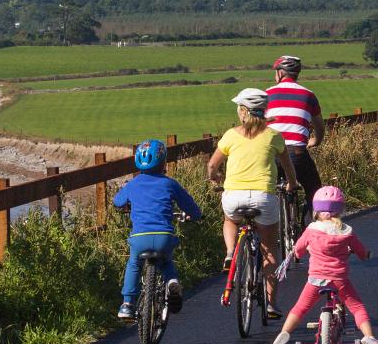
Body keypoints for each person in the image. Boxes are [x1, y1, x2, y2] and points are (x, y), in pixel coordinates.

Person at [207, 87, 299, 319]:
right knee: (270, 250)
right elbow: (288, 167)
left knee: (229, 220)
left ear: (244, 111)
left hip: (234, 196)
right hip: (263, 197)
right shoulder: (273, 135)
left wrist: (215, 177)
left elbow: (211, 166)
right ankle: (270, 303)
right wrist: (291, 184)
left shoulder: (230, 135)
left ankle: (230, 253)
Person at [268, 186, 378, 344]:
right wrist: (366, 254)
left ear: (316, 210)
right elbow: (361, 252)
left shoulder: (311, 230)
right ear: (340, 210)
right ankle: (369, 337)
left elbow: (298, 250)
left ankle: (284, 334)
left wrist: (299, 252)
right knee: (357, 307)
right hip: (340, 280)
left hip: (316, 280)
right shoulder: (346, 232)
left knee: (300, 308)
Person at [114, 138, 203, 320]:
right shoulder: (170, 184)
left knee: (133, 264)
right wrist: (195, 216)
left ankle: (127, 304)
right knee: (166, 262)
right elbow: (191, 208)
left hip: (140, 238)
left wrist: (127, 205)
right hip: (164, 236)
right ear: (163, 162)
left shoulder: (133, 184)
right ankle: (172, 281)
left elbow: (117, 201)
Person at [266, 55, 325, 211]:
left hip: (270, 153)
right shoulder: (309, 95)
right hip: (296, 154)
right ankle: (310, 221)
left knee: (263, 192)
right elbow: (319, 126)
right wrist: (315, 141)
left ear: (280, 73)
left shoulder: (266, 95)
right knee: (315, 191)